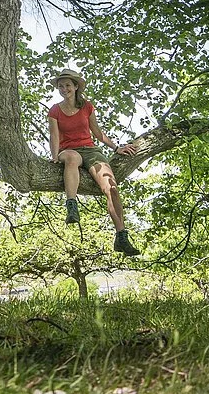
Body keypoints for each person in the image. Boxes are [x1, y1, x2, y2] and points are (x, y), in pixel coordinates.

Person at [47, 68, 142, 256]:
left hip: (91, 150)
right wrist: (55, 156)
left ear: (75, 87)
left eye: (67, 85)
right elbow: (54, 136)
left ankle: (121, 236)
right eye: (60, 86)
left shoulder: (87, 106)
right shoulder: (55, 110)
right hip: (69, 151)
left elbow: (97, 133)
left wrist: (117, 148)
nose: (64, 89)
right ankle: (72, 206)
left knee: (111, 188)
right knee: (72, 158)